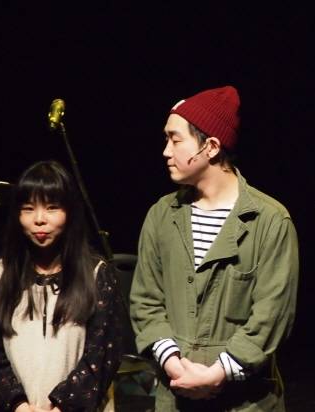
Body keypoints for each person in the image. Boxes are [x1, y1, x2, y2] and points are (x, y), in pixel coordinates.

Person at [130, 85, 299, 411]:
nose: (166, 151)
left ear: (210, 147)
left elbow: (272, 314)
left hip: (246, 402)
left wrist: (216, 375)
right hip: (176, 395)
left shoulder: (269, 220)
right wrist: (175, 366)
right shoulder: (162, 215)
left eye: (175, 140)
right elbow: (145, 300)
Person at [0, 160, 122, 412]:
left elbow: (101, 355)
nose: (39, 219)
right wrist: (18, 405)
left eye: (52, 207)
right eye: (28, 209)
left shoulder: (96, 273)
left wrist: (62, 405)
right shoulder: (1, 273)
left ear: (69, 212)